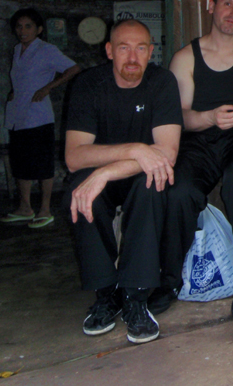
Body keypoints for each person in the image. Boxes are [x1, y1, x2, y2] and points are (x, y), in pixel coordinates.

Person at [151, 0, 233, 319]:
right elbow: (175, 117)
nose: (232, 13)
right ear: (212, 6)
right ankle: (167, 281)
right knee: (179, 192)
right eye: (226, 4)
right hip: (197, 142)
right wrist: (208, 117)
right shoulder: (185, 58)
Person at [65, 19, 182, 344]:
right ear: (109, 52)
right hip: (109, 171)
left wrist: (104, 172)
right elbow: (74, 156)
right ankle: (106, 294)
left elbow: (167, 154)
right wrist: (136, 149)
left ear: (150, 52)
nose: (133, 57)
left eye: (141, 48)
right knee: (79, 193)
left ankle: (135, 296)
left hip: (135, 177)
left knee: (153, 183)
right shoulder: (89, 85)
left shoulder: (161, 82)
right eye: (123, 48)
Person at [1, 8, 81, 228]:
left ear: (39, 29)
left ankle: (45, 209)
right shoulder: (18, 49)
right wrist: (14, 91)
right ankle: (25, 207)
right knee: (20, 161)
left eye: (28, 26)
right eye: (19, 26)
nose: (22, 30)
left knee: (42, 162)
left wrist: (48, 88)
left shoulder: (47, 50)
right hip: (18, 114)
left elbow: (73, 69)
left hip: (39, 116)